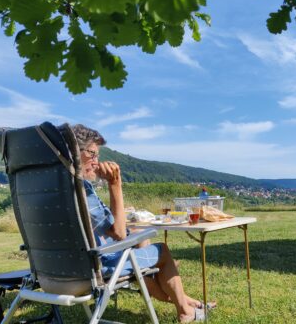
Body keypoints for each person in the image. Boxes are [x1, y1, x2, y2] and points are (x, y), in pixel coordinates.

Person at [72, 124, 215, 323]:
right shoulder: (79, 188)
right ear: (73, 151)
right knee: (162, 251)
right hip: (94, 267)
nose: (96, 162)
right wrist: (115, 184)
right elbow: (119, 233)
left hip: (56, 271)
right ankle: (186, 310)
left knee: (139, 239)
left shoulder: (50, 188)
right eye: (92, 154)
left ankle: (190, 302)